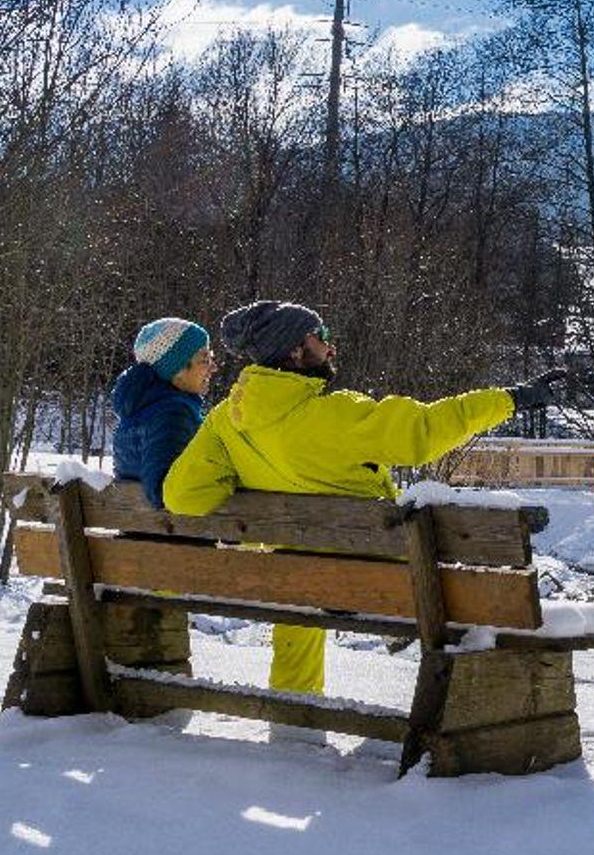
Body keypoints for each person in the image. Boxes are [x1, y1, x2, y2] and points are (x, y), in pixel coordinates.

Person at [162, 298, 566, 698]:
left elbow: (181, 495)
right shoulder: (334, 415)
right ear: (295, 351)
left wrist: (249, 485)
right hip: (382, 580)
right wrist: (512, 399)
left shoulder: (225, 422)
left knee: (300, 582)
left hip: (298, 576)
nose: (330, 346)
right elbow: (424, 431)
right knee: (470, 588)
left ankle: (293, 709)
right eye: (320, 336)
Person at [110, 317, 215, 509]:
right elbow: (163, 490)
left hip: (138, 525)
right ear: (178, 369)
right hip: (170, 527)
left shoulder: (140, 411)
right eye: (205, 360)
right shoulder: (173, 414)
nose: (213, 368)